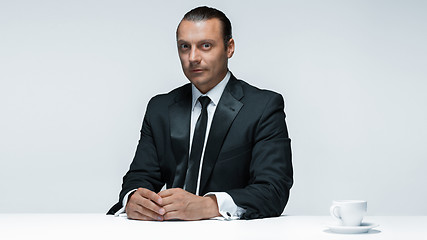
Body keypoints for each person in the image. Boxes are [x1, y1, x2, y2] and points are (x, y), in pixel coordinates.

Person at [107, 6, 293, 220]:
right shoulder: (159, 108)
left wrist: (209, 206)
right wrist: (133, 199)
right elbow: (140, 177)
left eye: (205, 46)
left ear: (229, 48)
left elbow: (273, 190)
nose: (193, 57)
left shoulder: (263, 107)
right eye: (185, 47)